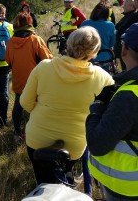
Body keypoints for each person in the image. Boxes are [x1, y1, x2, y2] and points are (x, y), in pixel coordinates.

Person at [20, 26, 114, 185]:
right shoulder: (104, 78)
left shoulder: (43, 67)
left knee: (42, 181)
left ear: (68, 44)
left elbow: (25, 102)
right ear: (93, 52)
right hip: (75, 144)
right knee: (68, 169)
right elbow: (106, 116)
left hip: (37, 138)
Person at [86, 23, 138, 200]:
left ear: (123, 49)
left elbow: (97, 144)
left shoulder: (129, 95)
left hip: (127, 187)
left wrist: (97, 108)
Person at [4, 12, 52, 143]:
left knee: (18, 106)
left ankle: (17, 132)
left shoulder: (11, 42)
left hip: (19, 80)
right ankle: (38, 132)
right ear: (30, 23)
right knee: (38, 107)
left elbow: (7, 60)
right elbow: (48, 60)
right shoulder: (35, 39)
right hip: (37, 82)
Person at [80, 1, 116, 65]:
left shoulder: (84, 23)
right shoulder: (110, 25)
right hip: (104, 58)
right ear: (107, 14)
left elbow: (79, 41)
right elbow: (112, 43)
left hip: (86, 57)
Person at [114, 0, 137, 70]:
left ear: (131, 6)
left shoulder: (133, 17)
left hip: (127, 49)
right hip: (124, 48)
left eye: (125, 5)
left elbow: (121, 29)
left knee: (127, 70)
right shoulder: (129, 16)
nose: (123, 7)